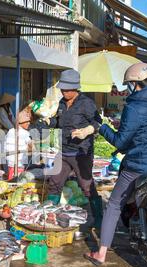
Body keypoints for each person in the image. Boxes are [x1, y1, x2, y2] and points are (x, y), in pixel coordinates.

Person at [84, 63, 147, 266]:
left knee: (115, 204)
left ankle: (100, 253)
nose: (128, 88)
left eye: (129, 85)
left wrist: (102, 127)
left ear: (136, 84)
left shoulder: (133, 107)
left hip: (139, 166)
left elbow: (121, 143)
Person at [30, 69, 104, 230]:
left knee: (86, 186)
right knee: (54, 182)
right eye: (62, 89)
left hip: (81, 153)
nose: (63, 92)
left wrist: (87, 131)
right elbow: (58, 122)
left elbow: (98, 122)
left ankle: (99, 218)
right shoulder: (62, 103)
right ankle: (49, 215)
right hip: (63, 151)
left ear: (75, 88)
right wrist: (47, 123)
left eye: (66, 89)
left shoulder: (86, 103)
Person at [5, 106, 33, 180]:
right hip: (19, 164)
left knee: (11, 181)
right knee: (18, 183)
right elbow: (32, 148)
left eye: (29, 121)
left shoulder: (10, 131)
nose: (29, 123)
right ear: (21, 123)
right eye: (27, 122)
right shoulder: (25, 133)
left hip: (10, 164)